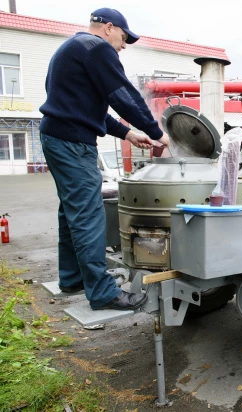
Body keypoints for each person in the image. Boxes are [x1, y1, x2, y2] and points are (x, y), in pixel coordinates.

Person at [40, 8, 169, 311]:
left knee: (71, 212)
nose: (123, 46)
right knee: (88, 215)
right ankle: (102, 292)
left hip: (59, 137)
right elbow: (123, 95)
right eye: (124, 38)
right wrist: (156, 131)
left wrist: (128, 134)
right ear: (109, 28)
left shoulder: (73, 48)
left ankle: (72, 278)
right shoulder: (96, 48)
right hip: (72, 143)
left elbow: (88, 108)